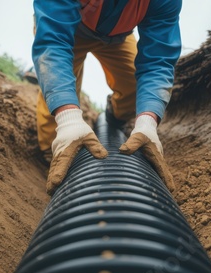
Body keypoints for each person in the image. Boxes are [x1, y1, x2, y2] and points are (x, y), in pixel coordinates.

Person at [33, 0, 182, 195]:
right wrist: (67, 118)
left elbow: (158, 59)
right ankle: (50, 152)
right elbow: (53, 45)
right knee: (58, 96)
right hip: (67, 26)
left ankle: (115, 117)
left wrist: (148, 121)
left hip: (117, 36)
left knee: (134, 90)